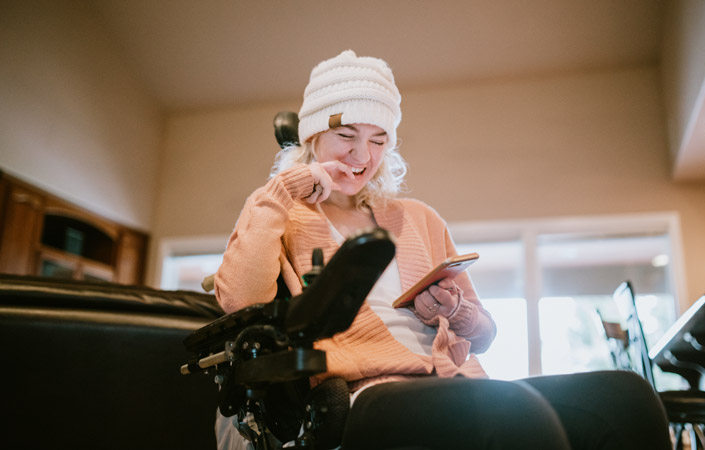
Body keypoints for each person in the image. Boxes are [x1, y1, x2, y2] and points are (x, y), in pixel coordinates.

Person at [214, 50, 672, 450]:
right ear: (313, 137)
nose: (362, 156)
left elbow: (486, 335)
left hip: (455, 379)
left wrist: (456, 312)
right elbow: (239, 301)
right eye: (347, 136)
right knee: (508, 411)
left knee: (626, 398)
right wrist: (284, 188)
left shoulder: (419, 218)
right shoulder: (282, 215)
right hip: (363, 393)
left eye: (378, 140)